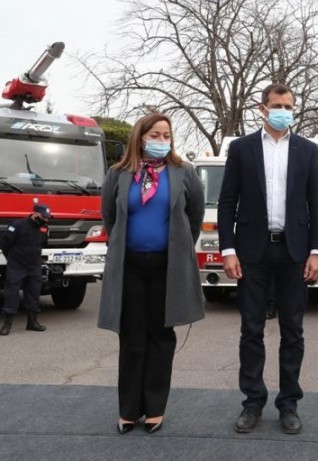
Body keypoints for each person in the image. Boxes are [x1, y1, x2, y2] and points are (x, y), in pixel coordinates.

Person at [217, 83, 318, 435]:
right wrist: (228, 249)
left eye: (289, 106)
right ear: (263, 108)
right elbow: (227, 202)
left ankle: (289, 403)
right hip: (252, 251)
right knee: (252, 329)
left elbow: (316, 204)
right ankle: (252, 402)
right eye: (277, 105)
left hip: (294, 251)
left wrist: (316, 250)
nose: (284, 111)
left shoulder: (307, 150)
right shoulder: (241, 149)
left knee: (293, 331)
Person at [98, 113, 205, 434]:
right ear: (140, 137)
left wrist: (178, 246)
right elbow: (110, 218)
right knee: (132, 337)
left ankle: (155, 408)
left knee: (160, 336)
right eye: (155, 135)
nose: (161, 141)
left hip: (167, 268)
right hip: (129, 267)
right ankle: (128, 410)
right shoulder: (118, 174)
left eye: (166, 135)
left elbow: (194, 217)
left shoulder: (184, 173)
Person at [0, 202, 51, 335]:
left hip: (34, 265)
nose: (45, 219)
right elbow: (5, 243)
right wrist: (11, 258)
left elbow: (43, 243)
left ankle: (32, 322)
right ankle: (7, 324)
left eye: (47, 217)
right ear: (35, 214)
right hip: (17, 264)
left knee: (34, 293)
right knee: (11, 293)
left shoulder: (44, 228)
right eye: (43, 216)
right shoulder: (18, 225)